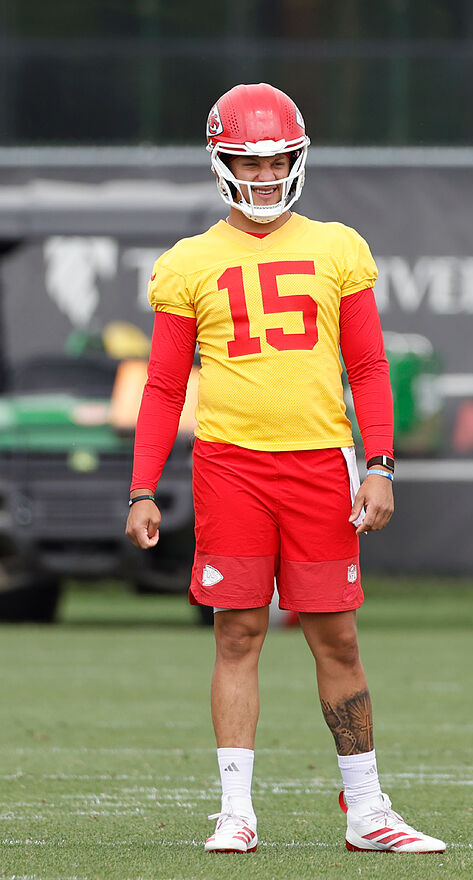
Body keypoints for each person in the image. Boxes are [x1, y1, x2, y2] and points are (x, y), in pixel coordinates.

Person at [124, 84, 444, 855]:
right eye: (247, 161)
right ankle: (235, 811)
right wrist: (141, 485)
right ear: (220, 162)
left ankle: (366, 810)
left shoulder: (337, 246)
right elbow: (165, 384)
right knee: (237, 632)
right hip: (230, 467)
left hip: (318, 466)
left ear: (297, 162)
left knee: (336, 636)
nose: (263, 178)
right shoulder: (189, 261)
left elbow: (368, 364)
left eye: (276, 162)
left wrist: (380, 464)